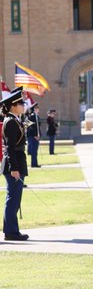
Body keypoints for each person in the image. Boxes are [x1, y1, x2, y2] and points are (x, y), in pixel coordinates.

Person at [1, 90, 29, 241]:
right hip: (14, 164)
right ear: (13, 106)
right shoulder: (11, 121)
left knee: (15, 198)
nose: (23, 106)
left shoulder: (15, 120)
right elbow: (10, 147)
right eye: (21, 104)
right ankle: (11, 232)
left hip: (17, 161)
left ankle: (12, 230)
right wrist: (14, 168)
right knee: (13, 198)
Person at [23, 102, 40, 169]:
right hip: (32, 136)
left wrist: (38, 135)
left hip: (36, 136)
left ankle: (35, 163)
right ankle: (33, 164)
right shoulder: (32, 116)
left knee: (35, 150)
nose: (38, 109)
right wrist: (35, 135)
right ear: (34, 109)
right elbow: (29, 127)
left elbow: (38, 127)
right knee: (33, 150)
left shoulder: (36, 116)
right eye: (37, 108)